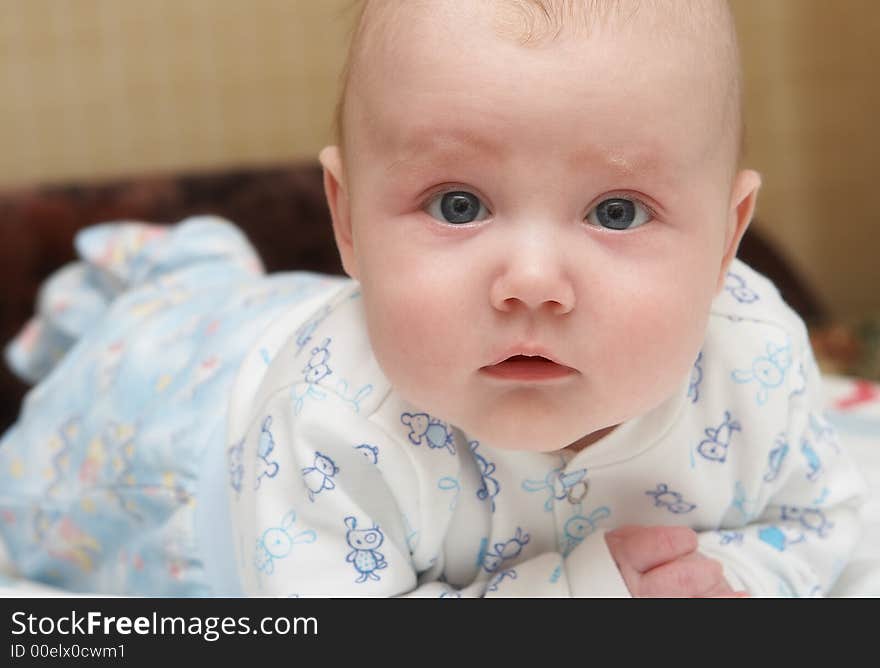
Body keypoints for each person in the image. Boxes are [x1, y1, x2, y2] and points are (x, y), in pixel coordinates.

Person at [0, 0, 866, 597]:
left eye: (616, 211)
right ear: (345, 219)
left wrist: (720, 584)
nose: (532, 281)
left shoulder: (752, 357)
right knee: (67, 438)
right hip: (166, 414)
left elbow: (823, 520)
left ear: (726, 235)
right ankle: (132, 302)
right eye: (459, 204)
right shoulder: (329, 424)